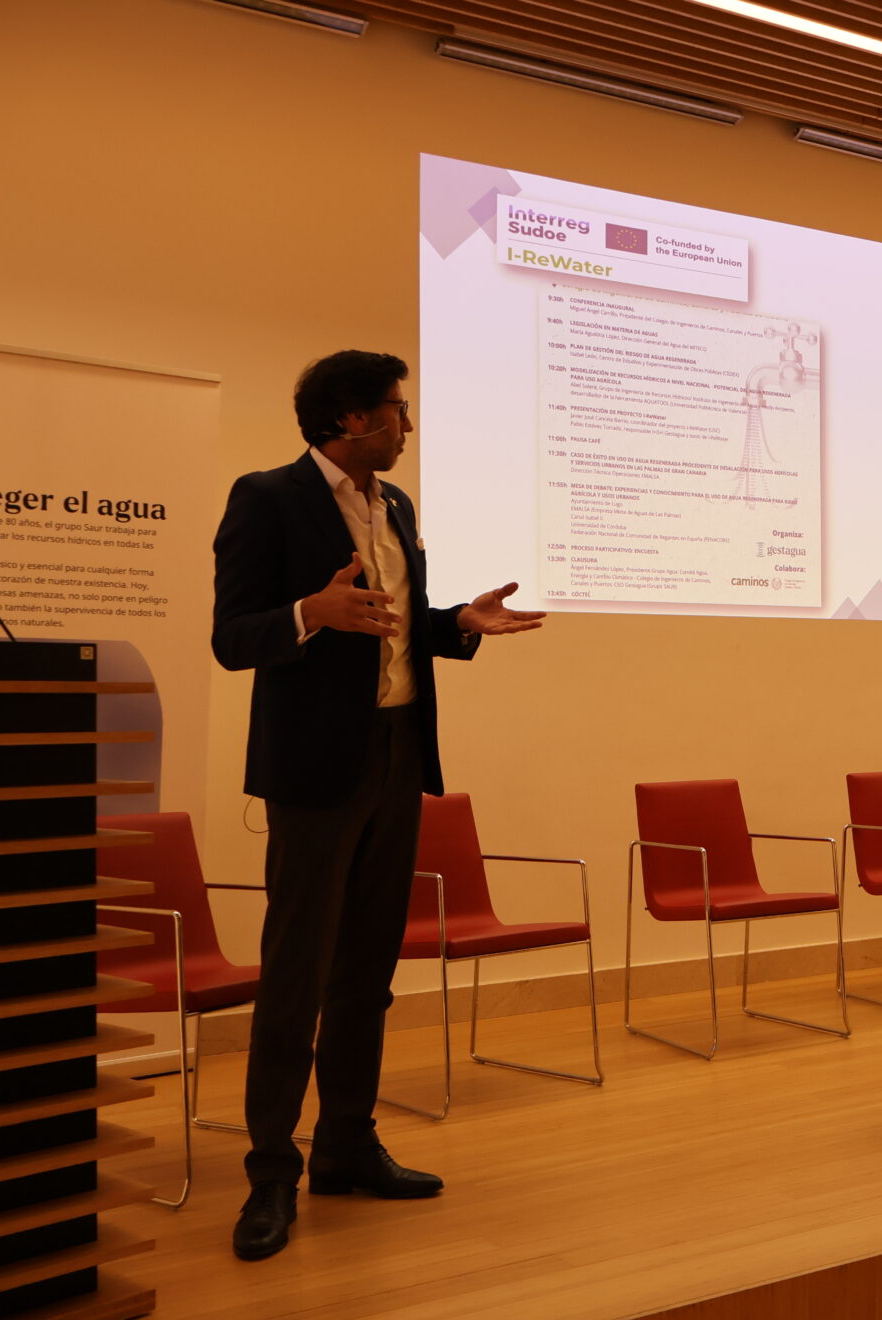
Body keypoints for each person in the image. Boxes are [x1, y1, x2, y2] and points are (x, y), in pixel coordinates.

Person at [212, 350, 544, 1261]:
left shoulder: (394, 505)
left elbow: (394, 627)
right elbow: (232, 639)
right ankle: (270, 1173)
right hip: (315, 771)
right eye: (399, 409)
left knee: (367, 972)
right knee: (296, 976)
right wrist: (308, 613)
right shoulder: (267, 498)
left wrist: (456, 624)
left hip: (397, 757)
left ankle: (346, 1146)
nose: (409, 425)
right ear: (352, 420)